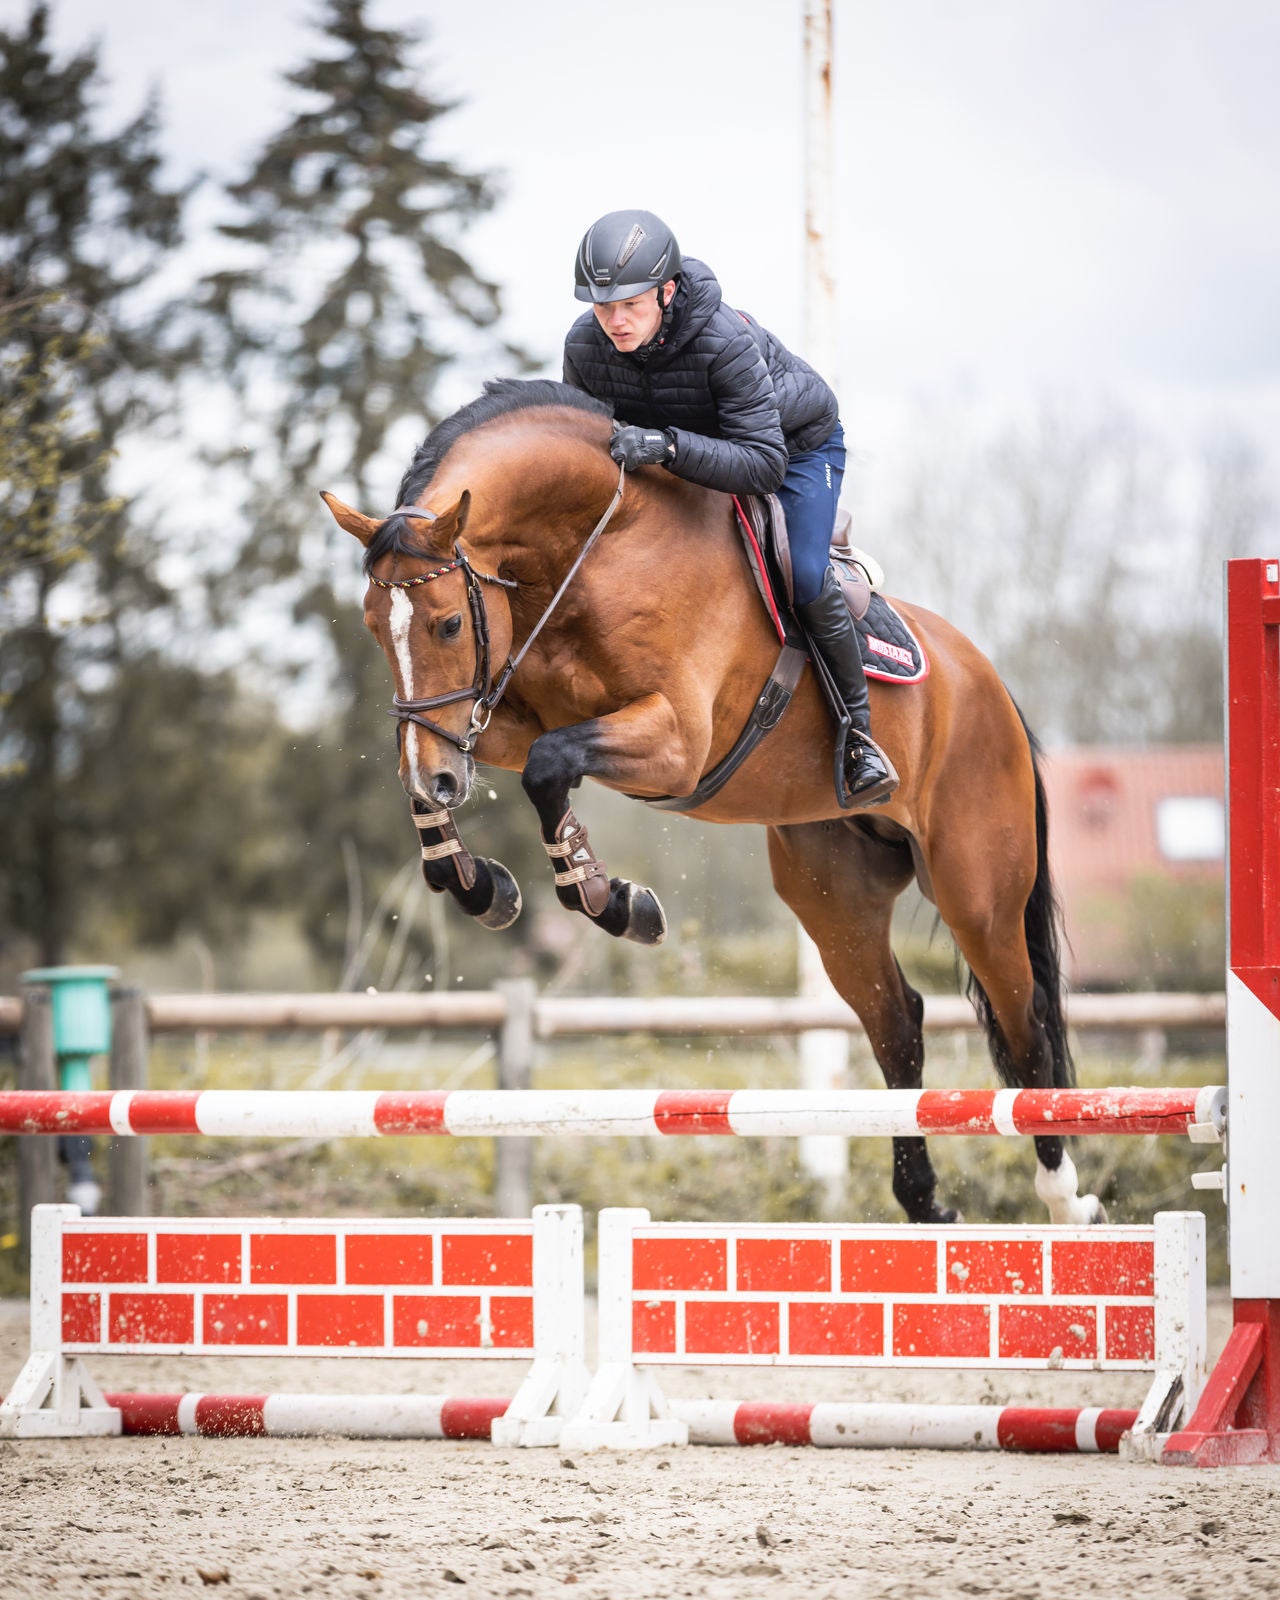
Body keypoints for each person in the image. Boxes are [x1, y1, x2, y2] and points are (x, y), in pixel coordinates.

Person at [563, 208, 896, 808]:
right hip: (687, 454)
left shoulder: (723, 339)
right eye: (601, 306)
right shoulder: (585, 346)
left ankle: (860, 738)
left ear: (666, 291)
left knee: (801, 574)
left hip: (793, 450)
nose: (614, 321)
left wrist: (665, 445)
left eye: (629, 305)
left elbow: (761, 464)